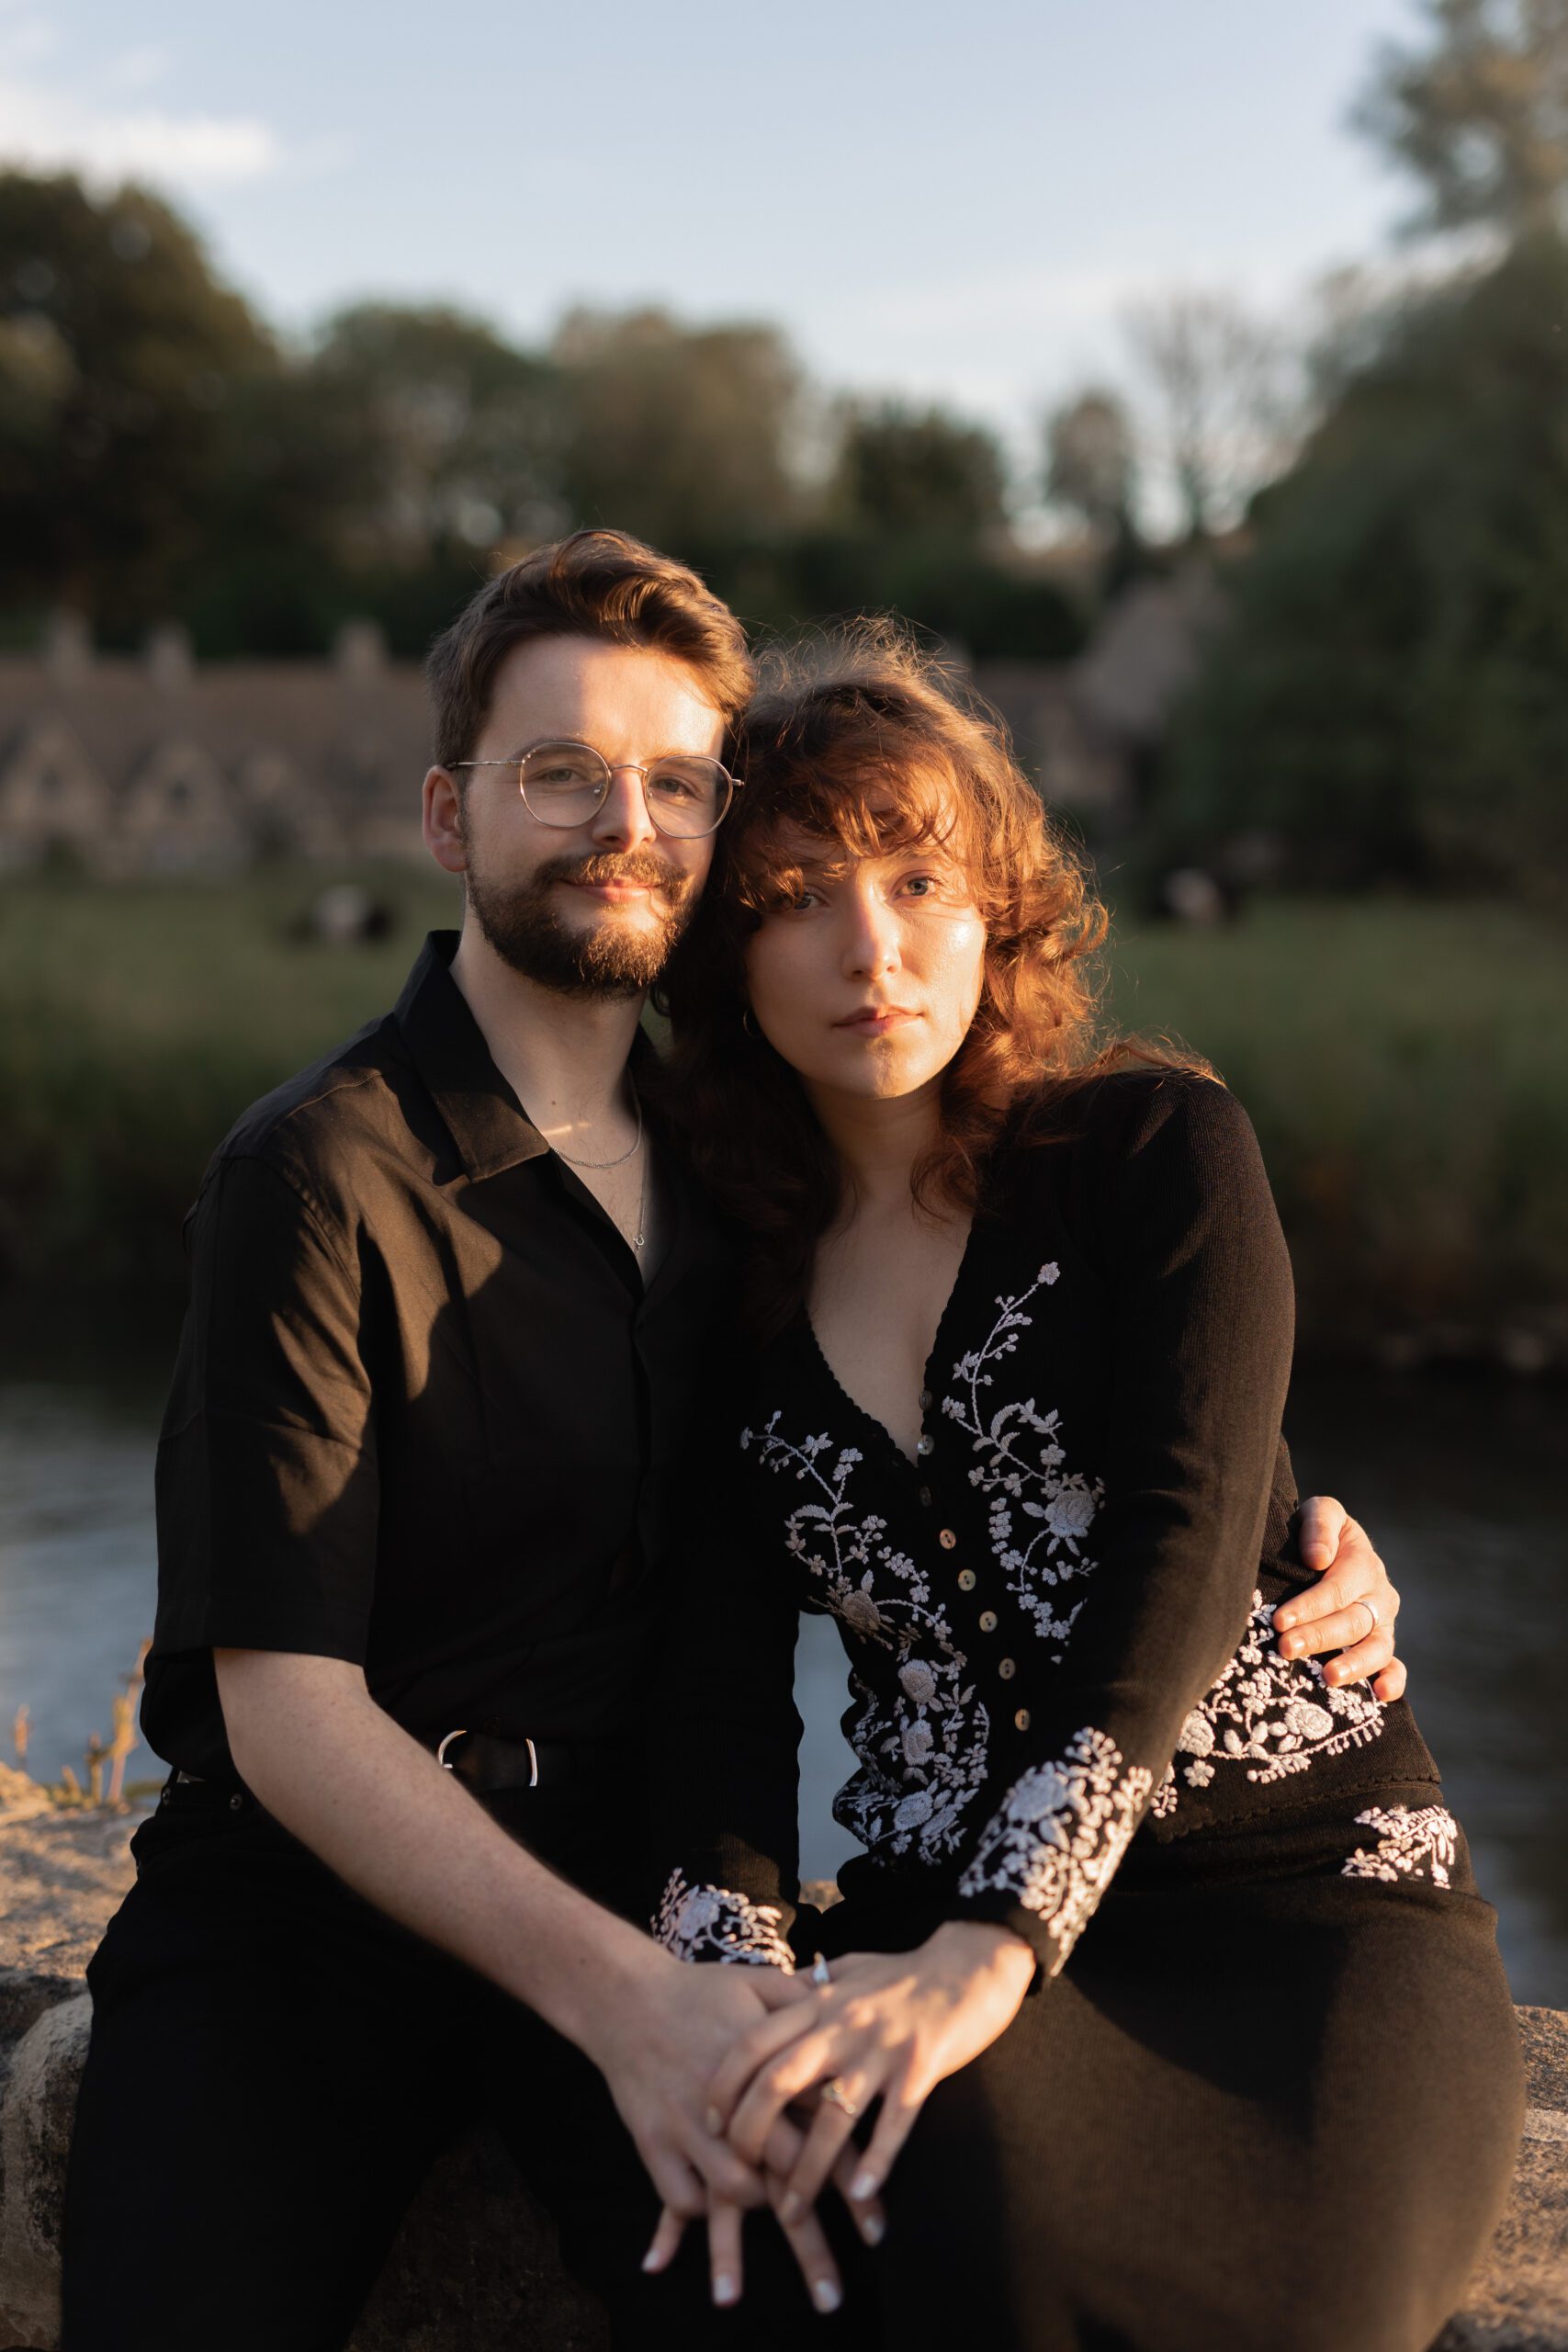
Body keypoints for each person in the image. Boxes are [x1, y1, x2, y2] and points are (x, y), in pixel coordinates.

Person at [61, 534, 1407, 2350]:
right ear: (449, 818)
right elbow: (290, 1709)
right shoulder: (315, 1171)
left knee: (817, 2263)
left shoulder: (728, 1183)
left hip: (624, 1862)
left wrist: (1292, 1525)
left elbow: (1096, 1485)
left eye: (673, 784)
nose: (625, 823)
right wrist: (645, 1993)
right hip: (318, 1916)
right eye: (559, 773)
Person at [643, 626, 1524, 2351]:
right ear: (726, 949)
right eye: (798, 893)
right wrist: (725, 1992)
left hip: (1300, 1887)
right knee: (967, 2235)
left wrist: (999, 1940)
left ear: (1000, 912)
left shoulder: (1154, 1154)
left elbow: (1187, 1539)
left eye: (916, 879)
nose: (870, 947)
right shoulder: (717, 1288)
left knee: (1324, 2302)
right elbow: (710, 1692)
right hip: (918, 1931)